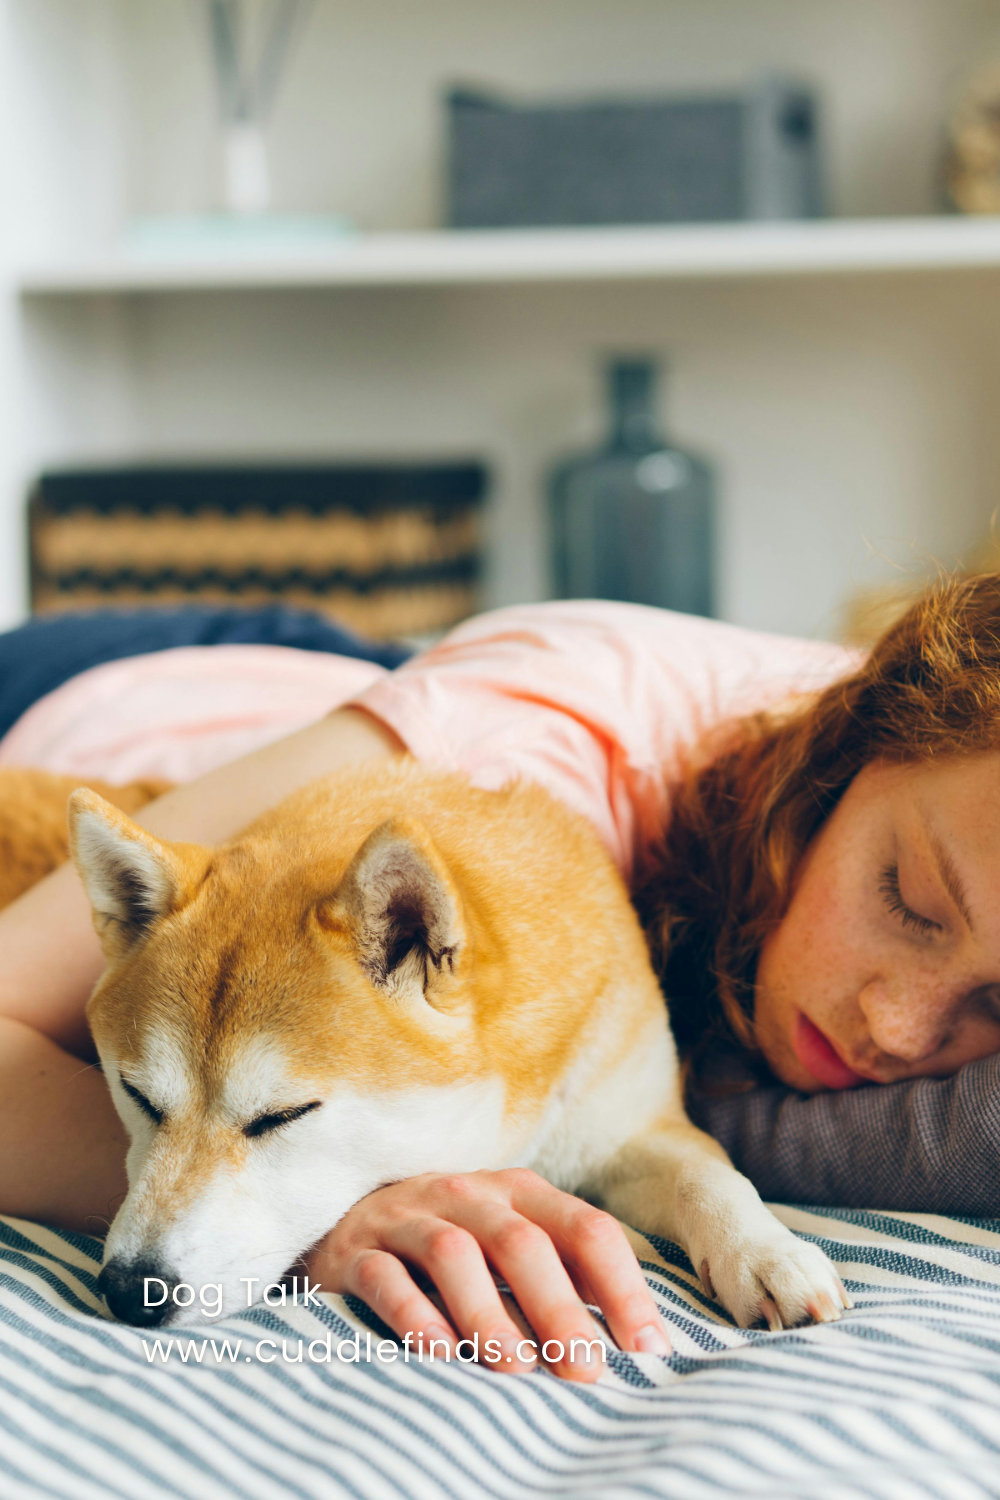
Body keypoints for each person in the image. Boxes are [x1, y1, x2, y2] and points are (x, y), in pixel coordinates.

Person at [1, 577, 999, 1384]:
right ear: (861, 741)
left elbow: (643, 1135)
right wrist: (327, 1224)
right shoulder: (518, 738)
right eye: (908, 898)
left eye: (997, 1004)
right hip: (96, 687)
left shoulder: (956, 811)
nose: (898, 1031)